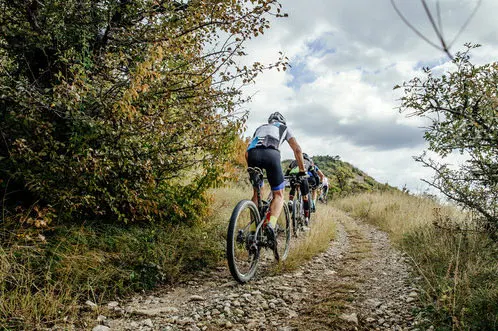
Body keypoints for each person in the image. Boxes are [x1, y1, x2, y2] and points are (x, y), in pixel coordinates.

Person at [246, 112, 305, 258]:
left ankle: (253, 231)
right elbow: (297, 149)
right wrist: (302, 170)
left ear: (269, 121)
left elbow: (247, 151)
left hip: (252, 154)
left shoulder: (260, 127)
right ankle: (271, 225)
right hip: (271, 154)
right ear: (281, 121)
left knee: (257, 192)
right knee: (278, 195)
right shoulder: (284, 127)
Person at [285, 153, 313, 225]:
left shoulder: (293, 162)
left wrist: (285, 181)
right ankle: (306, 218)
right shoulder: (308, 162)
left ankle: (290, 201)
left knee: (293, 187)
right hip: (303, 179)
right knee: (305, 197)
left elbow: (287, 173)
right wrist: (315, 183)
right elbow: (315, 175)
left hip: (292, 178)